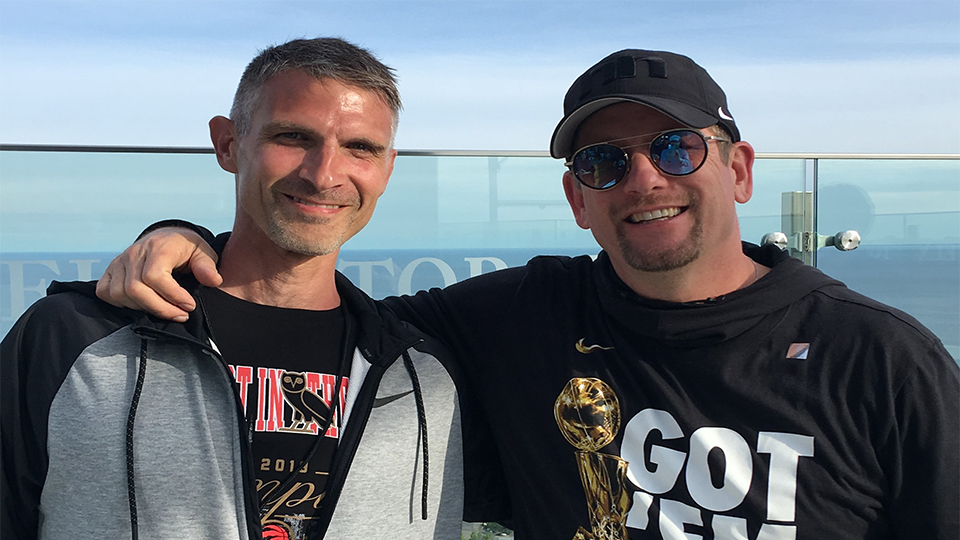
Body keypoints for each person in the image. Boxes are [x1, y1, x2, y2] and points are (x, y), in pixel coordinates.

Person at [95, 49, 960, 539]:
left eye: (676, 148)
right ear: (579, 200)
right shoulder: (520, 320)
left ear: (737, 169)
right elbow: (311, 307)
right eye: (603, 162)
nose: (643, 179)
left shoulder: (879, 359)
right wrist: (192, 243)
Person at [0, 38, 499, 540]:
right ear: (228, 144)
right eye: (293, 137)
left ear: (387, 168)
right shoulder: (70, 339)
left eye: (360, 148)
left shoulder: (426, 373)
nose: (324, 174)